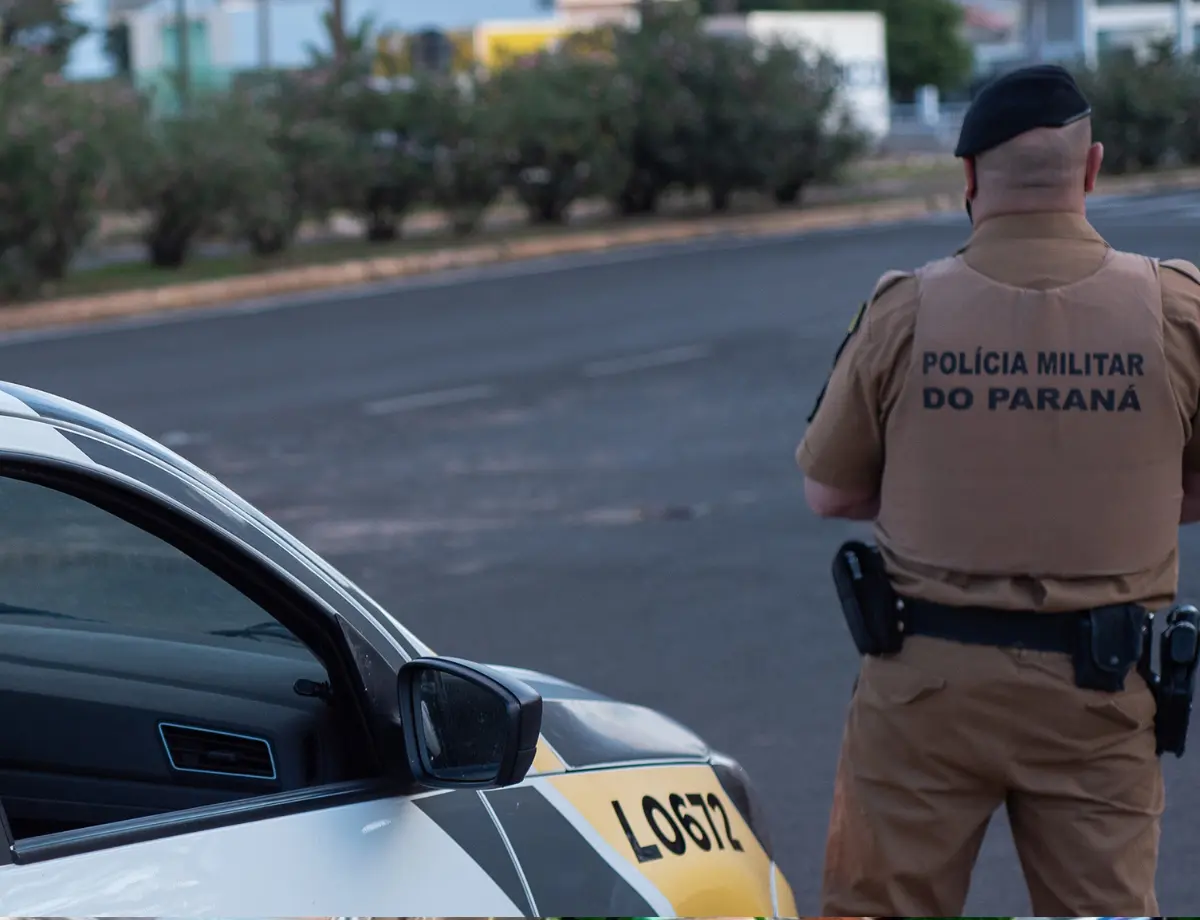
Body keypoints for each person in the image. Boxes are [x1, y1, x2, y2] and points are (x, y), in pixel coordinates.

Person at [796, 63, 1200, 917]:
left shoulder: (904, 310)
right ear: (1092, 171)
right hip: (1098, 686)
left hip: (923, 690)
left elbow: (830, 492)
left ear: (969, 179)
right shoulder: (1173, 309)